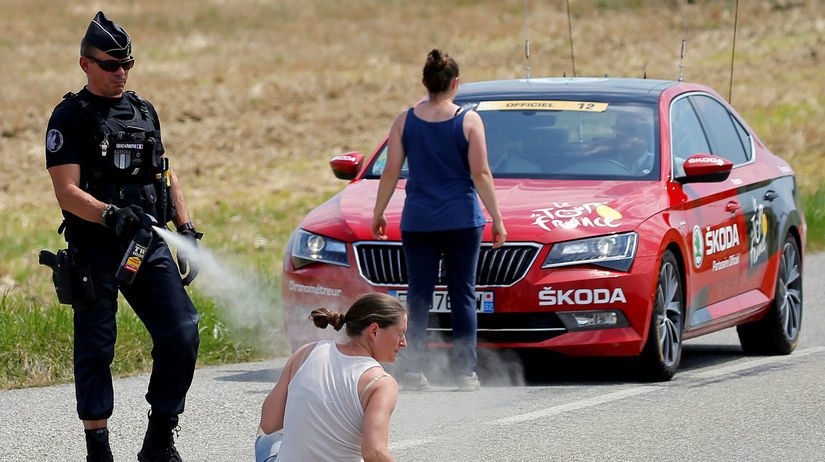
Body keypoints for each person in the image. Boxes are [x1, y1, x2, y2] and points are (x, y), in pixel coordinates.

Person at [44, 11, 202, 462]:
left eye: (127, 64)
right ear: (85, 64)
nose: (121, 73)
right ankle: (99, 450)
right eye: (111, 65)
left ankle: (159, 439)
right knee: (97, 349)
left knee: (182, 333)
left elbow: (165, 173)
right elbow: (66, 192)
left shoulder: (143, 110)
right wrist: (110, 214)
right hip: (96, 249)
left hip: (145, 245)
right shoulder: (68, 118)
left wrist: (186, 228)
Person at [371, 49, 506, 392]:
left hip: (418, 221)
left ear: (424, 83)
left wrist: (379, 211)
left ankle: (415, 371)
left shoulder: (405, 121)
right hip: (462, 220)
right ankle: (464, 373)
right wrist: (497, 219)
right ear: (455, 84)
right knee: (463, 293)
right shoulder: (470, 121)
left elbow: (390, 172)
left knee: (418, 297)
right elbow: (481, 173)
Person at [257, 292, 407, 462]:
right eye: (400, 333)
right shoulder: (381, 383)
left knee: (267, 438)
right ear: (374, 331)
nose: (404, 342)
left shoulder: (306, 352)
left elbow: (269, 425)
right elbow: (374, 452)